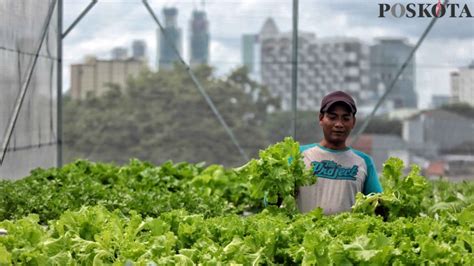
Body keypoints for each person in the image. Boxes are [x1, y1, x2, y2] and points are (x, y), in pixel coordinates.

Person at [296, 91, 382, 215]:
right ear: (321, 118)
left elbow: (379, 207)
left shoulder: (363, 162)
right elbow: (272, 200)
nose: (339, 124)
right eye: (332, 117)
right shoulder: (299, 155)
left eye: (346, 118)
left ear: (353, 122)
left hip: (349, 234)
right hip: (304, 234)